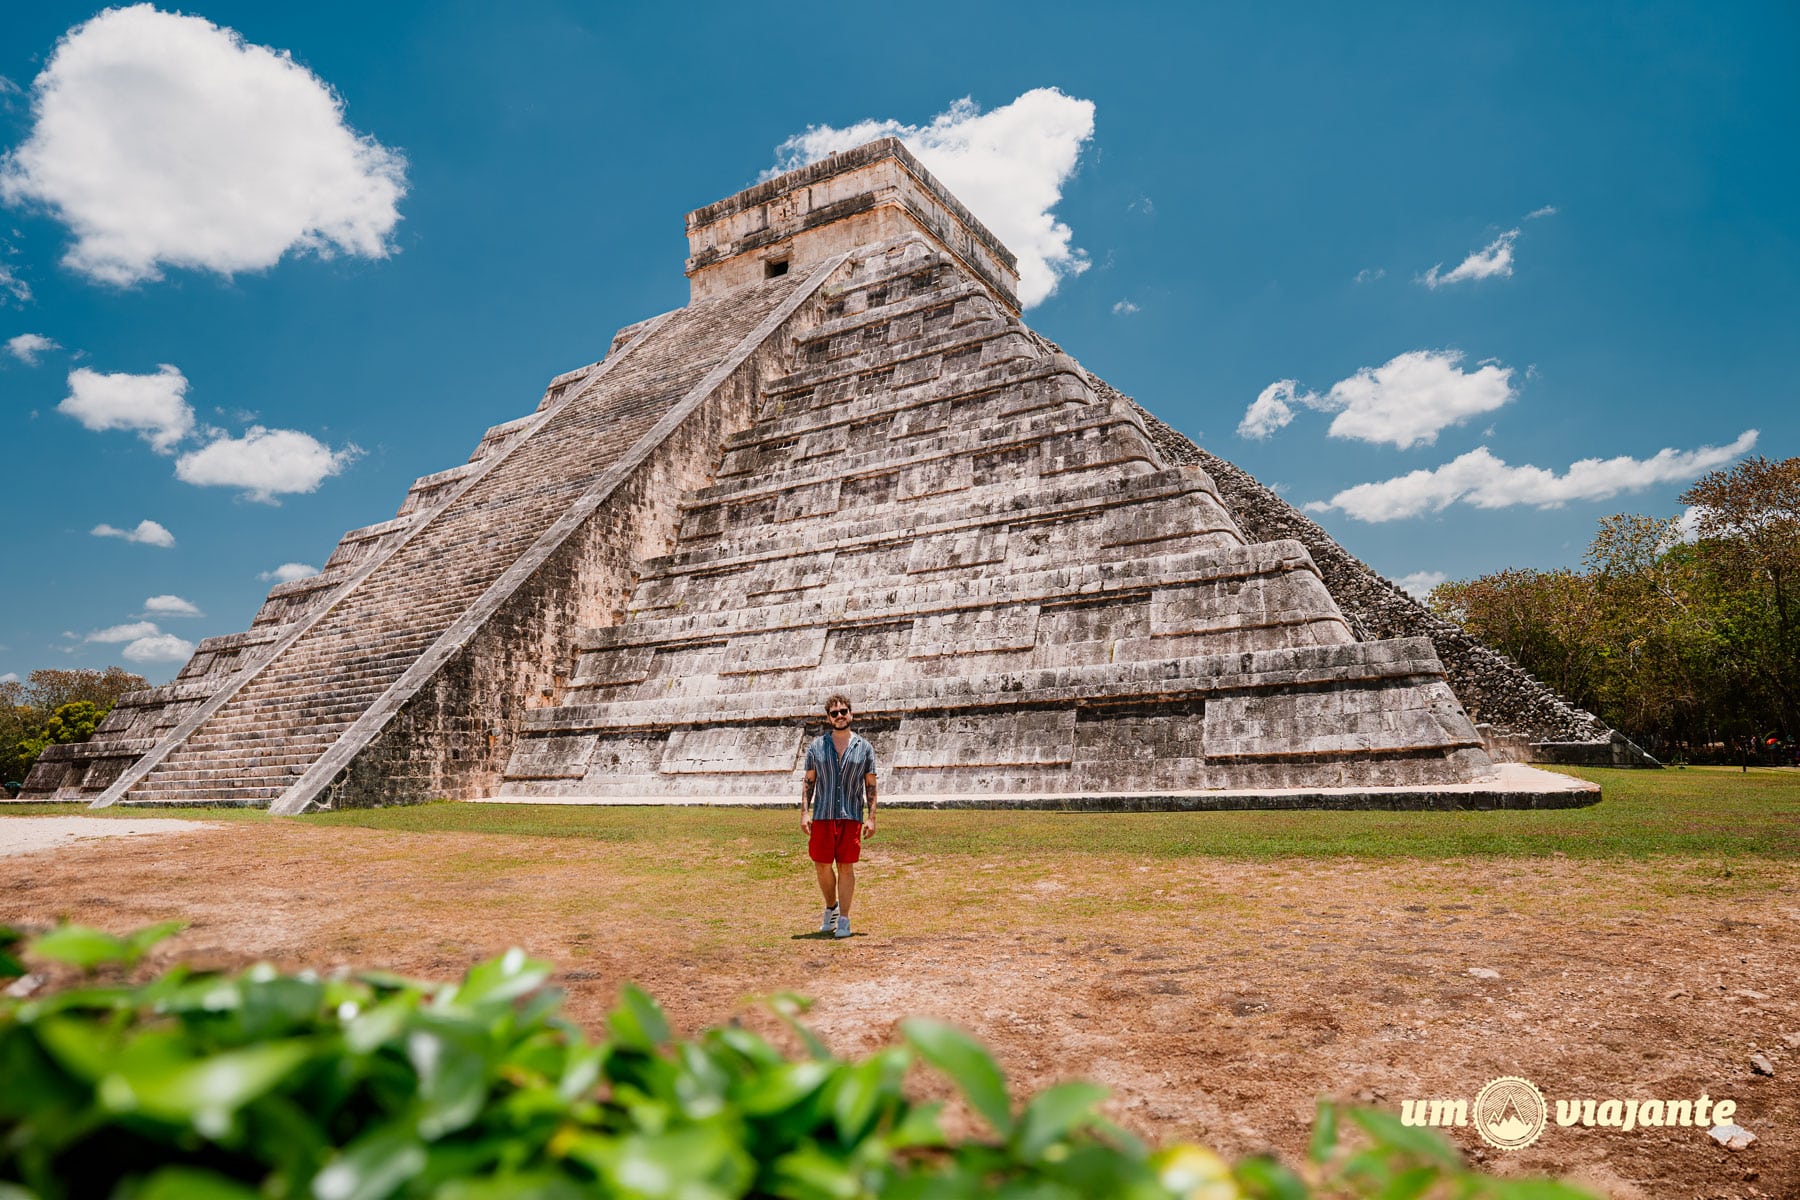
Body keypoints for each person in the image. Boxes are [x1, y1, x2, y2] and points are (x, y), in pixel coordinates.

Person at [801, 693, 877, 938]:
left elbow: (871, 786)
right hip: (823, 814)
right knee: (821, 865)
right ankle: (831, 907)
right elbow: (808, 783)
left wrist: (872, 816)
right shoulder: (816, 747)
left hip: (851, 815)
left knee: (846, 867)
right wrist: (804, 812)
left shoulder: (864, 748)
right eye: (834, 713)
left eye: (844, 711)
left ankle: (844, 919)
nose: (840, 716)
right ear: (828, 718)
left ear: (851, 714)